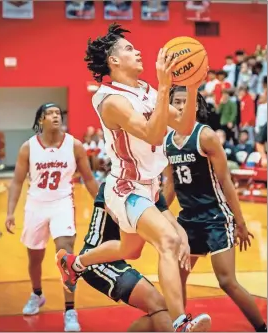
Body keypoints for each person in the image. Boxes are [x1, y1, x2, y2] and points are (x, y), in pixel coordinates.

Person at [56, 23, 210, 331]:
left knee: (130, 249)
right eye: (129, 48)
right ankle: (180, 322)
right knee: (168, 240)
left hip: (148, 189)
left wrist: (191, 87)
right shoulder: (111, 100)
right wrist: (166, 86)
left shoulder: (146, 92)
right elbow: (153, 133)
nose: (137, 51)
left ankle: (75, 263)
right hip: (127, 189)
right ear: (113, 61)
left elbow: (183, 125)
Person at [162, 86, 267, 333]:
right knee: (177, 278)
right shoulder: (167, 142)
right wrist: (157, 215)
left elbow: (226, 181)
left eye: (184, 102)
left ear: (195, 106)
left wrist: (239, 222)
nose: (179, 106)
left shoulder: (205, 136)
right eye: (175, 101)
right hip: (188, 220)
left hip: (216, 217)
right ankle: (182, 326)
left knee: (226, 281)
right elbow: (171, 187)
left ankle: (261, 327)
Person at [5, 103, 99, 331]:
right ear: (40, 120)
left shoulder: (74, 145)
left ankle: (70, 311)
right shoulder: (28, 148)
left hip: (62, 204)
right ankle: (37, 293)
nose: (56, 116)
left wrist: (104, 204)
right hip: (35, 206)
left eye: (58, 113)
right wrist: (10, 212)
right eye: (50, 113)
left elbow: (88, 178)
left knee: (66, 257)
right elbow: (17, 181)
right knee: (34, 259)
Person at [79, 182, 209, 332]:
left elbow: (171, 221)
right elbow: (121, 219)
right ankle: (181, 328)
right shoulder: (113, 184)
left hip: (115, 260)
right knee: (159, 305)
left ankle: (179, 326)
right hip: (96, 260)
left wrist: (184, 240)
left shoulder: (151, 188)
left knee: (162, 308)